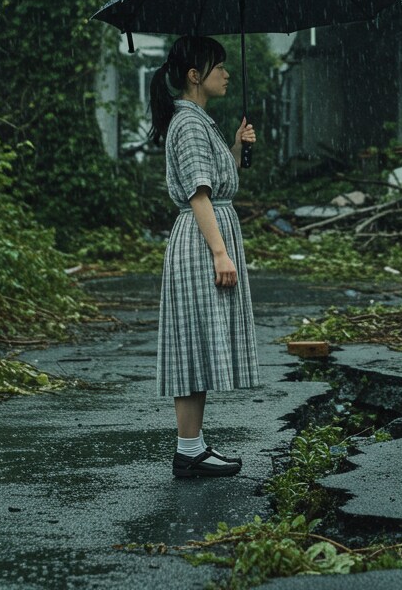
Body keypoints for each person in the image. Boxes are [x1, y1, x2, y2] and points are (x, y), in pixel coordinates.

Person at [149, 35, 259, 478]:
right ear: (195, 76)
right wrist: (220, 253)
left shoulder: (197, 121)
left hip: (204, 237)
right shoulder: (190, 124)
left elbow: (213, 180)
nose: (226, 74)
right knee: (192, 342)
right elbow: (198, 194)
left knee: (195, 342)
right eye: (219, 67)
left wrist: (235, 147)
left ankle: (191, 449)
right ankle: (189, 451)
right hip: (200, 242)